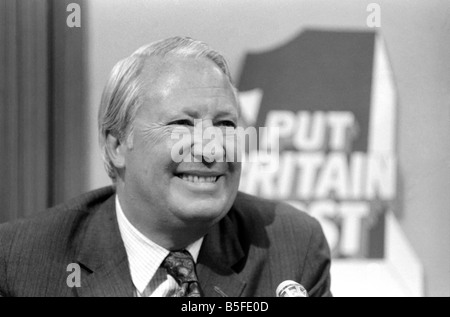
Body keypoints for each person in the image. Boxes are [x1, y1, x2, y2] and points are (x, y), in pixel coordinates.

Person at [0, 37, 331, 297]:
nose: (210, 149)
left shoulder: (291, 247)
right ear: (117, 146)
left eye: (226, 125)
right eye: (182, 124)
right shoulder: (21, 262)